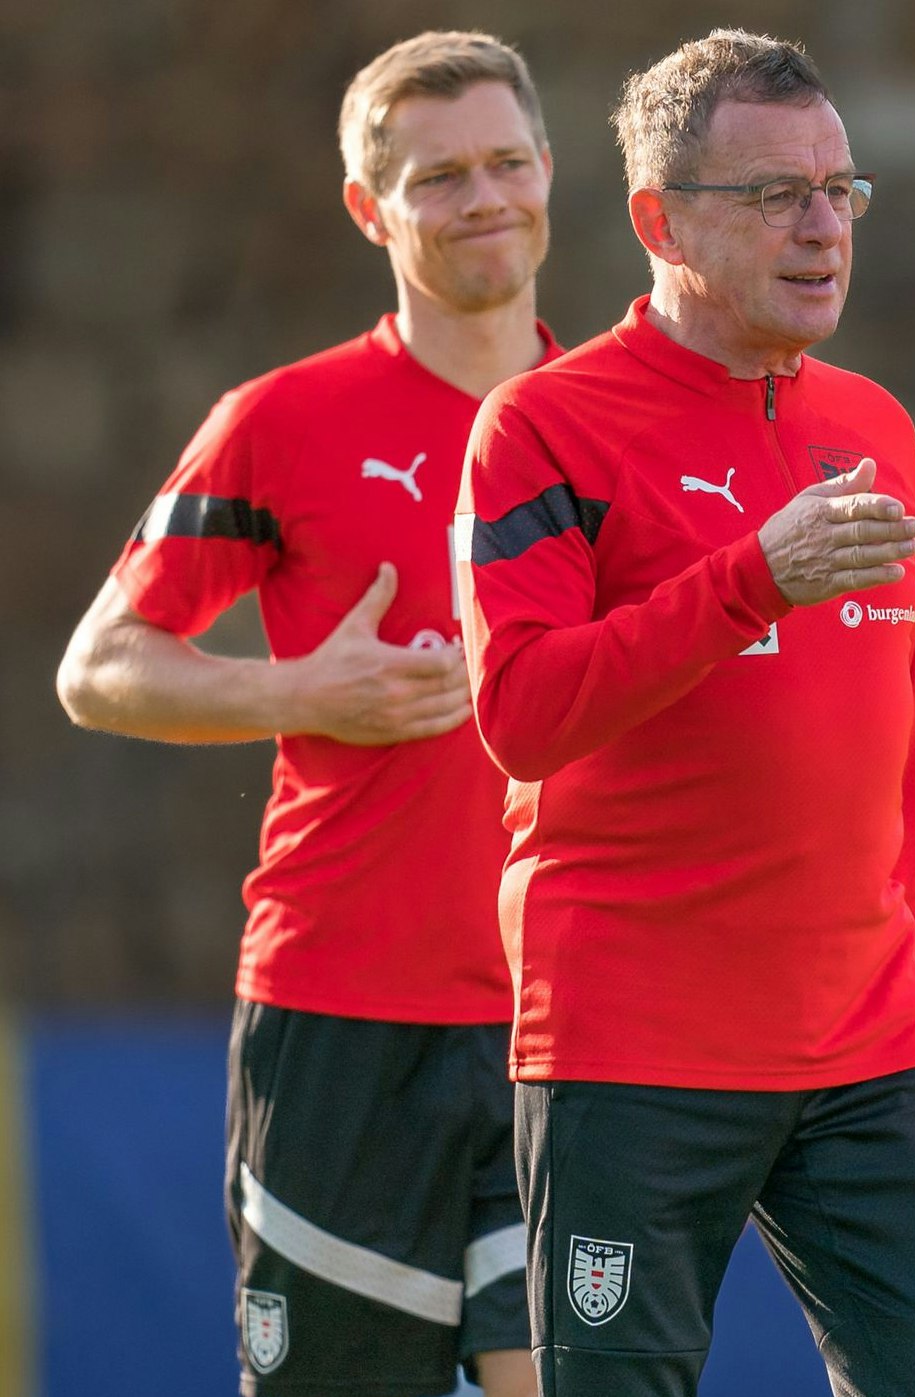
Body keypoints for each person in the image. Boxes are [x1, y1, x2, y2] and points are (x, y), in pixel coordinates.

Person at [454, 29, 915, 1394]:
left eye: (841, 190)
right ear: (660, 220)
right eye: (774, 195)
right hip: (632, 1045)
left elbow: (899, 738)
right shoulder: (542, 428)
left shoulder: (874, 424)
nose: (823, 227)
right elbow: (521, 712)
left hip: (870, 1045)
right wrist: (750, 580)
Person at [53, 31, 558, 1397]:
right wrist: (303, 692)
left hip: (565, 1026)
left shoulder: (613, 422)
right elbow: (99, 666)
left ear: (551, 172)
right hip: (343, 1017)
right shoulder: (284, 420)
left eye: (507, 162)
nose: (484, 199)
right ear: (369, 205)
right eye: (439, 176)